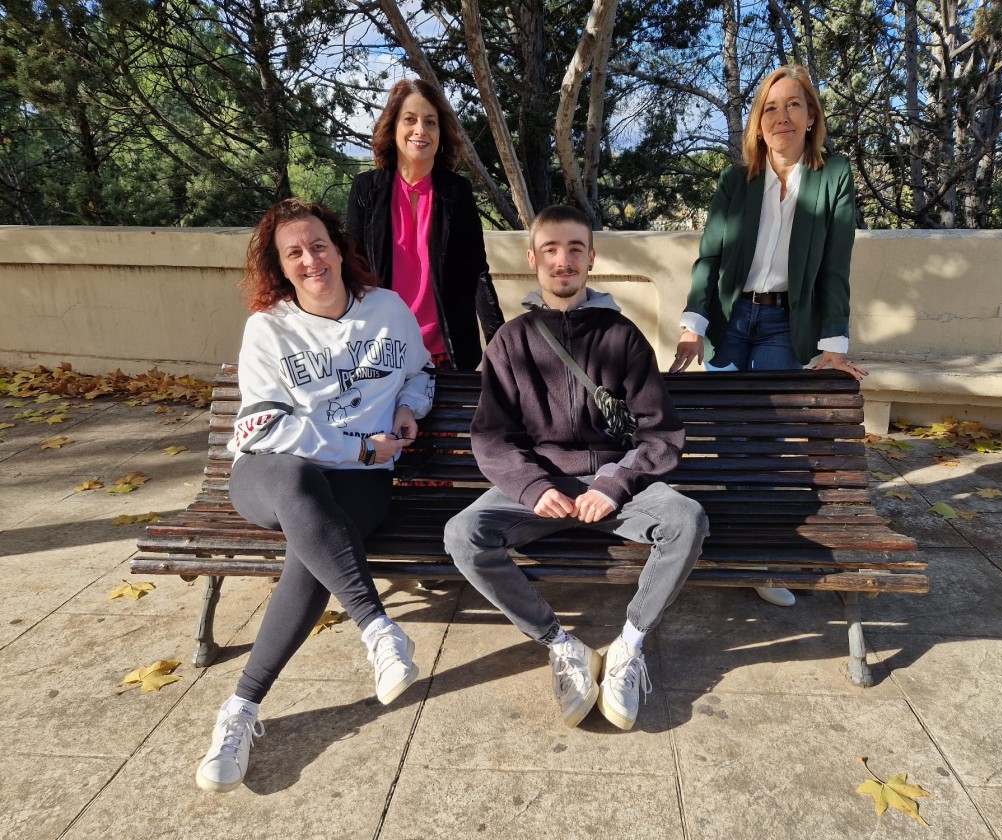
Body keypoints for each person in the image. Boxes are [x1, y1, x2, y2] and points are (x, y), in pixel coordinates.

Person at [195, 198, 435, 793]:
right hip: (270, 477)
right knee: (301, 486)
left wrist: (409, 408)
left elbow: (421, 372)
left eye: (318, 245)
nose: (311, 260)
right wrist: (354, 448)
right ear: (279, 265)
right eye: (294, 252)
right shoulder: (269, 328)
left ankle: (240, 709)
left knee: (314, 543)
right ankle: (378, 627)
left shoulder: (387, 310)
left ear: (339, 246)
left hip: (360, 485)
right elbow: (263, 428)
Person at [444, 205, 709, 732]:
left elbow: (660, 433)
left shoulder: (622, 336)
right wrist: (532, 486)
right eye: (550, 250)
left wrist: (614, 486)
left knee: (687, 519)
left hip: (617, 487)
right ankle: (561, 646)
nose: (562, 261)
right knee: (462, 534)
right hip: (543, 492)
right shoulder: (510, 341)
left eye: (573, 249)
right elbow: (492, 436)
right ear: (533, 260)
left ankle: (628, 648)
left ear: (591, 258)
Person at [669, 63, 868, 609]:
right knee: (730, 438)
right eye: (771, 108)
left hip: (784, 322)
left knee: (771, 440)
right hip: (733, 322)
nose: (782, 117)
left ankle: (765, 554)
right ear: (758, 123)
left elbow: (835, 266)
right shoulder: (738, 181)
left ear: (811, 117)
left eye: (794, 106)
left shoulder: (834, 176)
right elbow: (709, 257)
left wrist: (833, 345)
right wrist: (693, 328)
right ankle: (734, 547)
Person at [347, 77, 504, 373]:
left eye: (431, 122)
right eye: (410, 119)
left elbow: (477, 273)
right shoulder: (366, 189)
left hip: (445, 354)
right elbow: (352, 273)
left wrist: (501, 346)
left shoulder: (457, 192)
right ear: (393, 128)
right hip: (379, 353)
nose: (421, 130)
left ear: (441, 133)